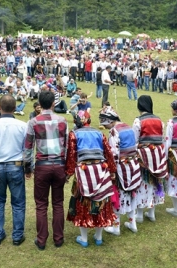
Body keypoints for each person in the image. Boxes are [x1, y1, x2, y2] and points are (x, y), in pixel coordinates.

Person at [65, 111, 117, 247]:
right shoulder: (99, 134)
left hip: (83, 171)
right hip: (101, 169)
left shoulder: (74, 134)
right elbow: (108, 153)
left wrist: (68, 173)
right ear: (89, 120)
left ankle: (84, 239)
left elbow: (71, 155)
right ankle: (98, 237)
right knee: (101, 202)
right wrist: (112, 171)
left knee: (83, 203)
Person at [24, 91, 68, 250]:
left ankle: (41, 240)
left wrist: (27, 167)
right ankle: (58, 238)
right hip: (59, 165)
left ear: (39, 105)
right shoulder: (62, 121)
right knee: (58, 202)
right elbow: (67, 146)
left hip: (42, 166)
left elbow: (28, 147)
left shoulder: (33, 122)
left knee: (41, 204)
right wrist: (67, 168)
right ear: (53, 104)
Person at [0, 95, 28, 246]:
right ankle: (17, 235)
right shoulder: (22, 126)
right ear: (15, 108)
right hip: (15, 165)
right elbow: (26, 150)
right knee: (18, 202)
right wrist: (28, 167)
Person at [99, 107, 141, 235]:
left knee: (118, 196)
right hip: (133, 164)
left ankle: (116, 227)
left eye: (105, 124)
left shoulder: (113, 131)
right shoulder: (128, 127)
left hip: (122, 168)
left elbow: (113, 154)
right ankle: (132, 223)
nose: (104, 127)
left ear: (110, 121)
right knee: (132, 194)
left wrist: (111, 170)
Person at [133, 95, 167, 222]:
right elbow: (162, 139)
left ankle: (140, 214)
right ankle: (152, 212)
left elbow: (135, 140)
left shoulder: (138, 121)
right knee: (155, 182)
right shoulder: (159, 121)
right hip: (158, 155)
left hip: (143, 157)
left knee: (143, 182)